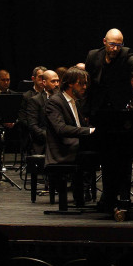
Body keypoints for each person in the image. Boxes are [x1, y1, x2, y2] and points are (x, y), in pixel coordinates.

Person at [85, 28, 133, 210]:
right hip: (99, 113)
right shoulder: (93, 56)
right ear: (104, 42)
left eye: (119, 44)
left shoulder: (126, 53)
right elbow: (90, 85)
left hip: (119, 113)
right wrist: (87, 112)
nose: (115, 48)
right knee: (106, 156)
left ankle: (120, 196)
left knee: (121, 155)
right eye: (112, 44)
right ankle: (108, 195)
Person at [44, 67, 95, 207]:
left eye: (86, 84)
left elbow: (81, 126)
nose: (85, 87)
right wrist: (89, 131)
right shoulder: (55, 102)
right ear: (70, 83)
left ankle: (89, 197)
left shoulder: (74, 101)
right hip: (63, 149)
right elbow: (61, 129)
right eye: (81, 83)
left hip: (75, 145)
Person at [25, 70, 60, 155]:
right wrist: (49, 137)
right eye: (53, 81)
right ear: (44, 82)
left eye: (57, 81)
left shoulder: (63, 99)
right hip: (44, 140)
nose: (56, 84)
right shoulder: (35, 100)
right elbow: (33, 126)